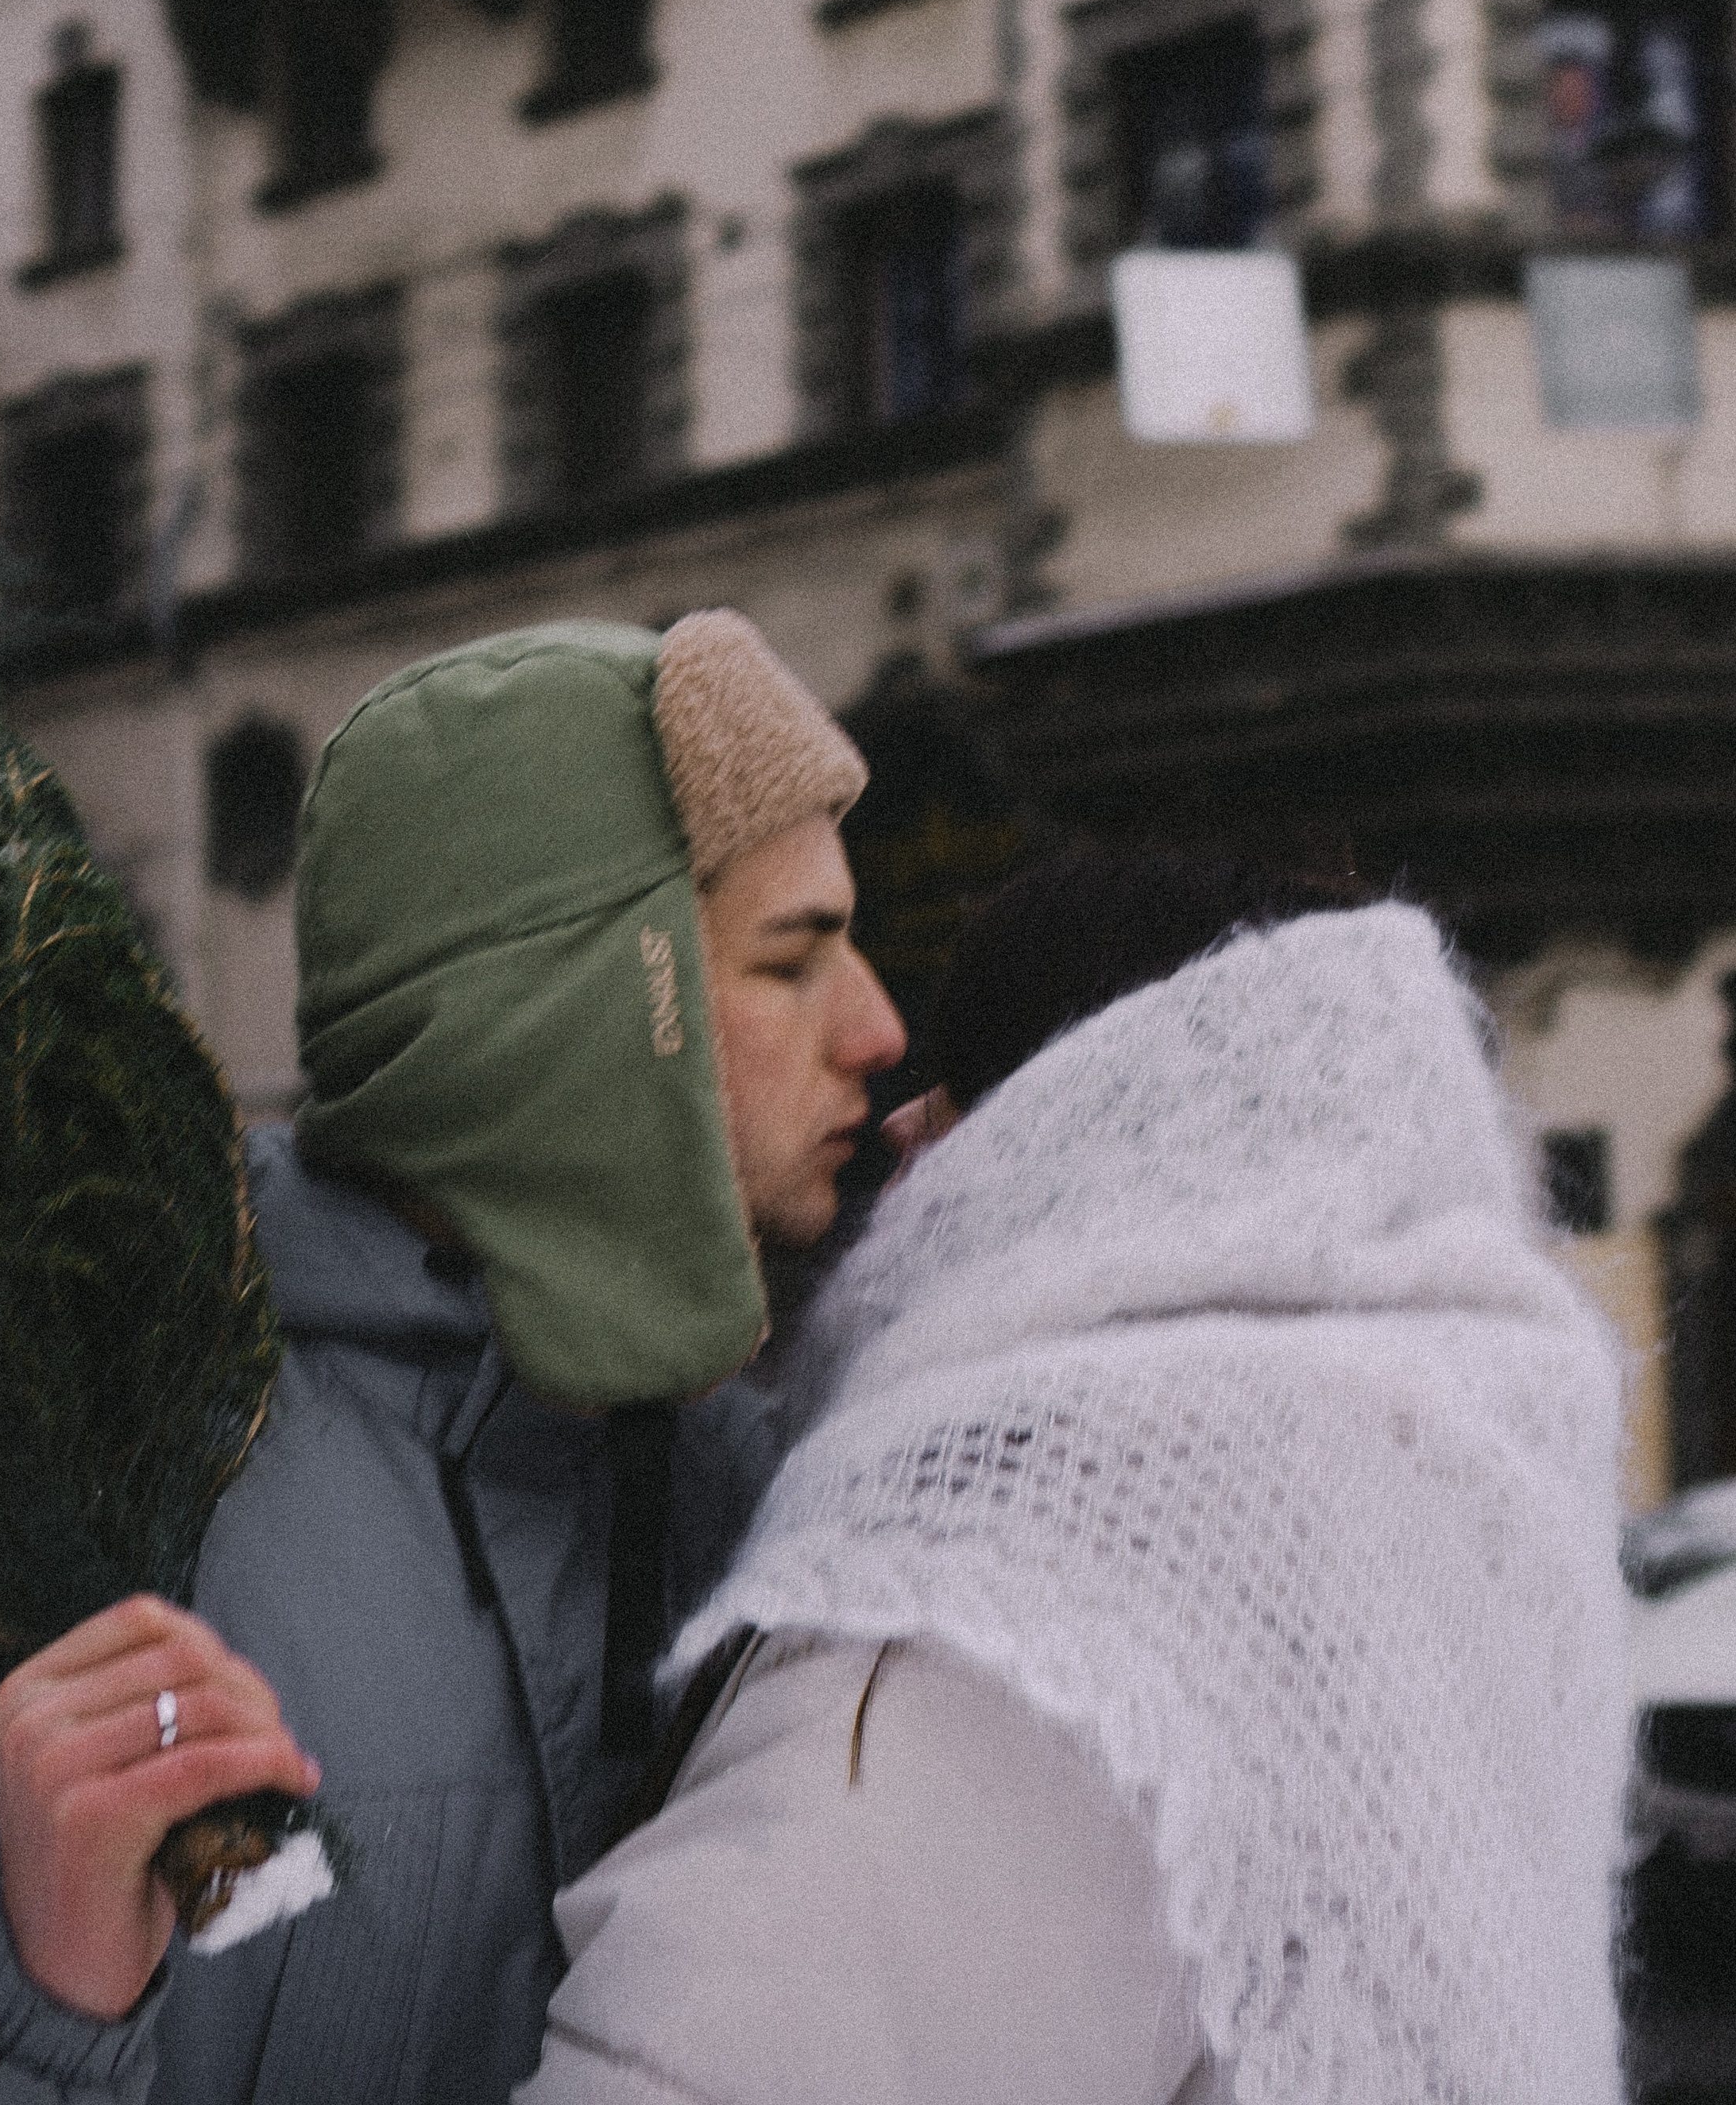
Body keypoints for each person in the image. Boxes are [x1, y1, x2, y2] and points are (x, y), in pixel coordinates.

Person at [522, 847, 1630, 2105]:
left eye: (957, 1086)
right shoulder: (1439, 1477)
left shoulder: (1007, 1616)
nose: (897, 1116)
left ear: (1053, 1141)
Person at [0, 613, 906, 2105]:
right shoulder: (124, 1484)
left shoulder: (766, 1488)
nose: (880, 1028)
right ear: (599, 1021)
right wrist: (54, 2016)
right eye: (792, 962)